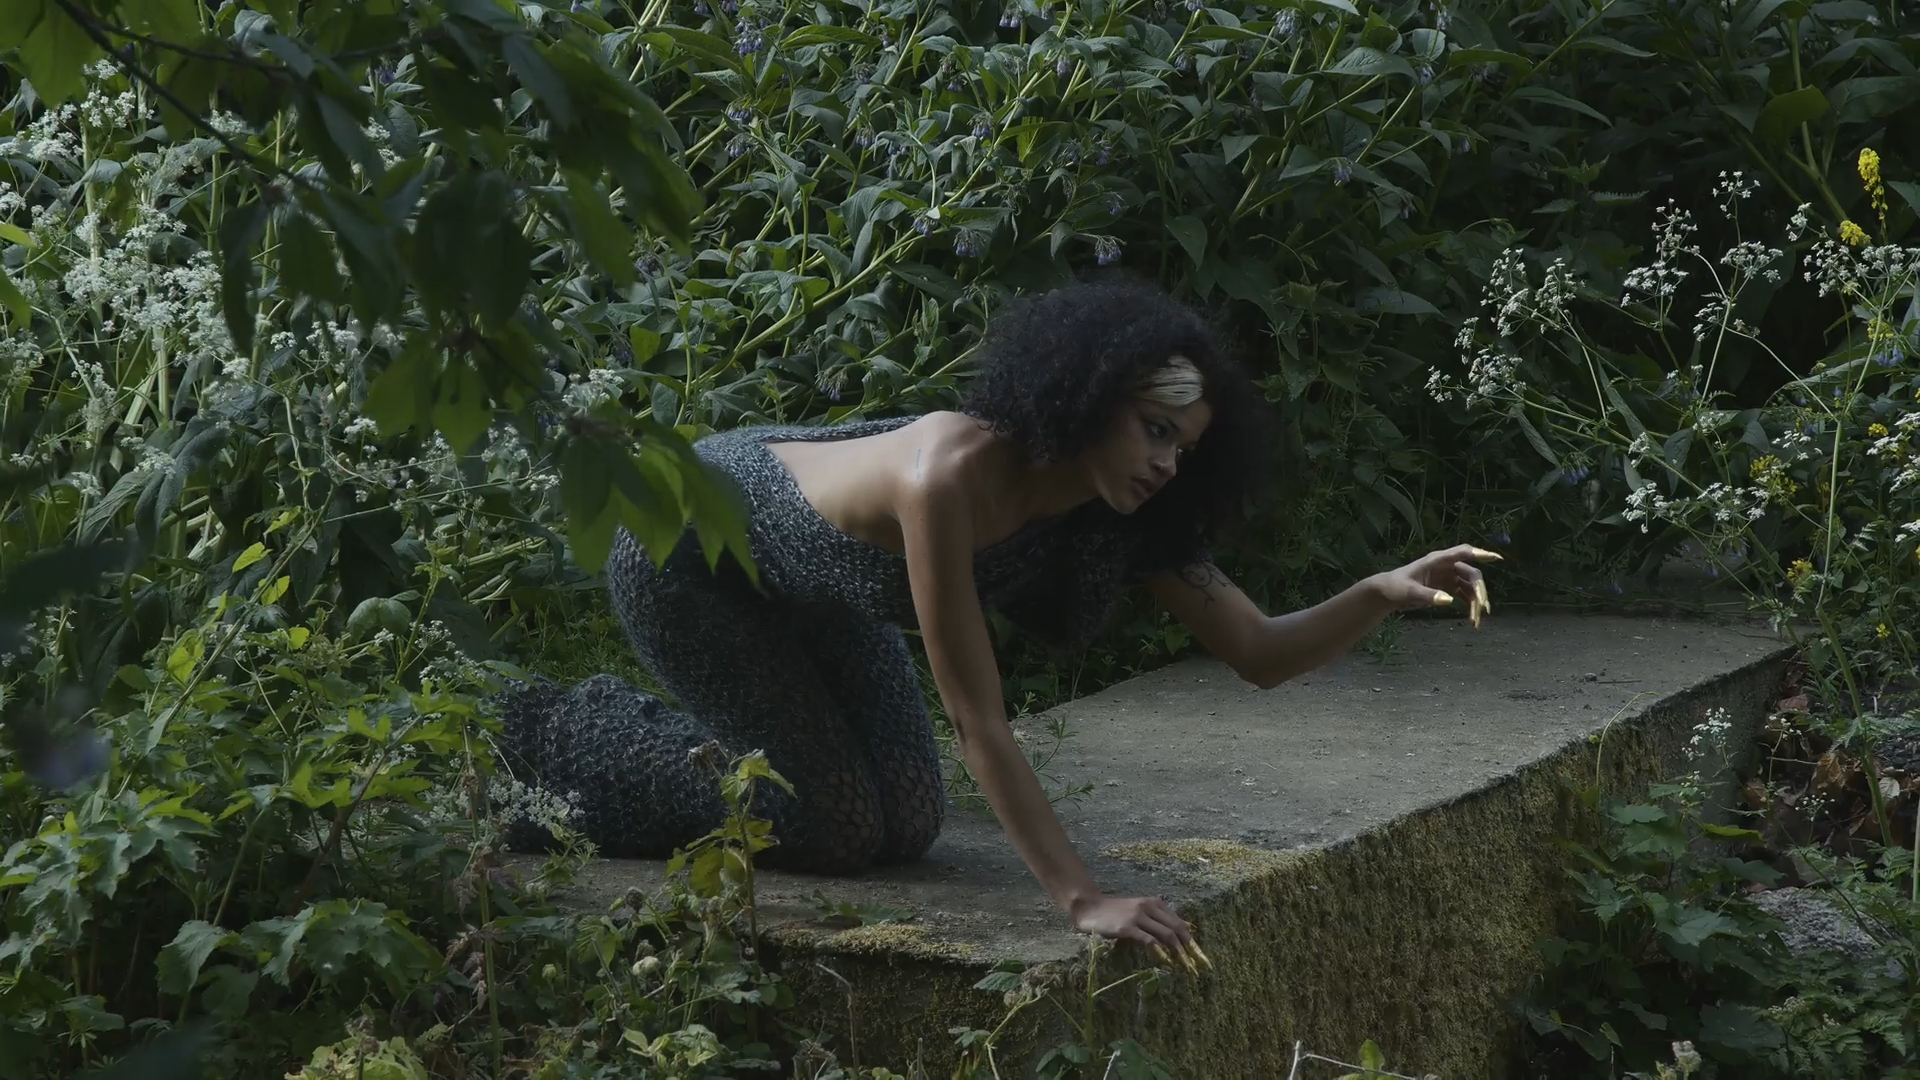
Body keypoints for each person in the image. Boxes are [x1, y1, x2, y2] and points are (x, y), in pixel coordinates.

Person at [497, 276, 1498, 960]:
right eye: (1154, 430)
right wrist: (1081, 898)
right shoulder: (946, 478)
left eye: (1184, 447)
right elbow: (978, 720)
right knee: (837, 825)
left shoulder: (1117, 507)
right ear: (1092, 396)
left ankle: (704, 746)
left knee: (908, 822)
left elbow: (1258, 651)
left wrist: (1379, 591)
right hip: (689, 553)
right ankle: (541, 743)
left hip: (821, 588)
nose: (1166, 464)